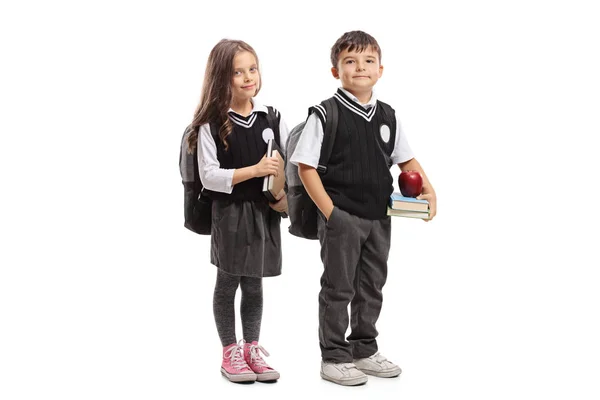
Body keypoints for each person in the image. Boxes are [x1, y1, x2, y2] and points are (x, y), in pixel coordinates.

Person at [290, 30, 437, 386]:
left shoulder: (388, 116)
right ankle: (334, 356)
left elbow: (407, 161)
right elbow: (305, 167)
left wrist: (430, 192)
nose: (360, 68)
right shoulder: (325, 114)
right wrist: (331, 214)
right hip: (342, 217)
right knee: (339, 287)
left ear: (381, 69)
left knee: (371, 285)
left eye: (368, 61)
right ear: (335, 71)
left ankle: (364, 349)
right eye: (350, 61)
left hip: (379, 217)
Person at [189, 39, 288, 383]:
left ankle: (252, 349)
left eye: (252, 68)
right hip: (230, 214)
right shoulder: (212, 125)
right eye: (237, 72)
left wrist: (283, 195)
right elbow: (210, 175)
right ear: (221, 78)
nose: (248, 77)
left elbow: (286, 166)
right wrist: (255, 171)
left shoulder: (271, 117)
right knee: (228, 281)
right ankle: (230, 350)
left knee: (255, 283)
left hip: (263, 214)